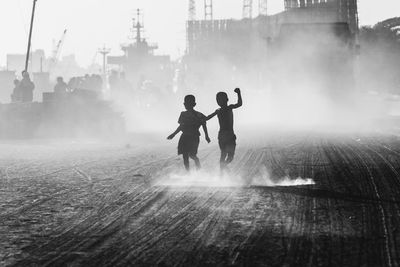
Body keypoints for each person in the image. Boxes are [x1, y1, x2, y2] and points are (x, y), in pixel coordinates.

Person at [168, 95, 211, 171]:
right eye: (185, 103)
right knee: (185, 156)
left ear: (194, 104)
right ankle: (188, 173)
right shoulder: (184, 114)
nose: (186, 105)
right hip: (185, 137)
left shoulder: (198, 115)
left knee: (192, 155)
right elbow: (181, 126)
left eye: (188, 103)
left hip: (194, 137)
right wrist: (173, 134)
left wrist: (206, 136)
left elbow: (204, 124)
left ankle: (197, 167)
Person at [206, 88, 242, 172]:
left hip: (224, 135)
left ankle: (222, 171)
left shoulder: (222, 110)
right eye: (218, 100)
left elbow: (207, 118)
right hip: (227, 135)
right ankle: (223, 170)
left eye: (219, 100)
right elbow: (239, 104)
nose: (219, 101)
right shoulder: (228, 108)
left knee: (225, 155)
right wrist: (238, 93)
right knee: (229, 156)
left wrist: (198, 117)